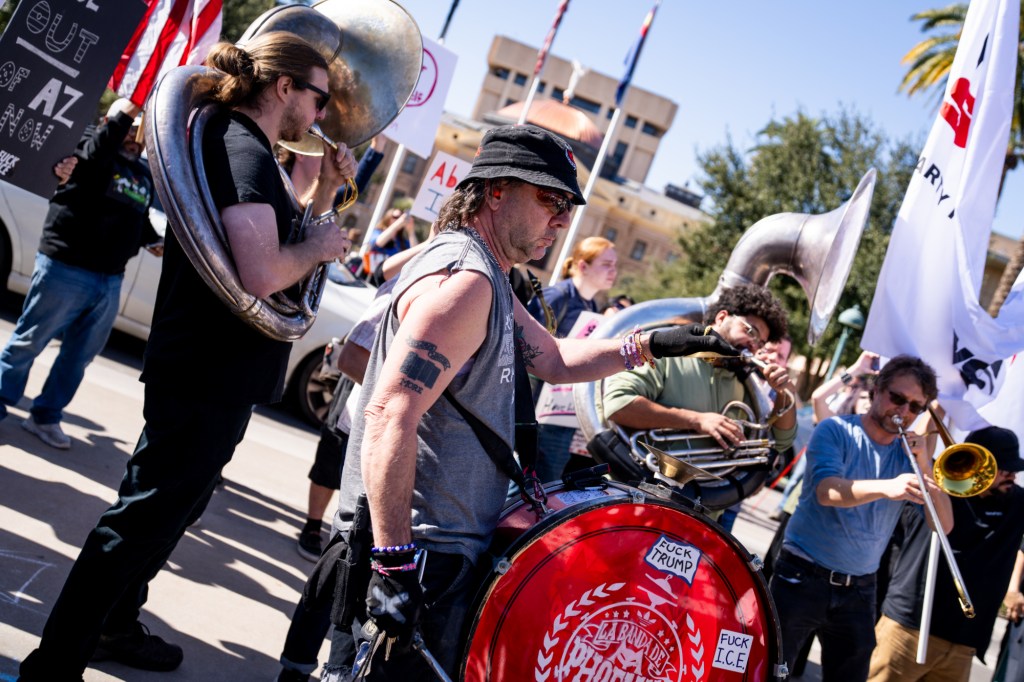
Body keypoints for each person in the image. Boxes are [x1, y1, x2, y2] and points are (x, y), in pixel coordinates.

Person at [317, 123, 739, 681]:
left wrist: (652, 344)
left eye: (567, 206)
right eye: (550, 200)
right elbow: (389, 413)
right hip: (422, 548)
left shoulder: (485, 272)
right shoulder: (467, 281)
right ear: (496, 190)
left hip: (430, 543)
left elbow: (555, 360)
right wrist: (394, 565)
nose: (562, 221)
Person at [18, 32, 356, 681]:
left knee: (170, 510)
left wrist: (322, 199)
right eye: (319, 97)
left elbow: (278, 247)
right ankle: (53, 664)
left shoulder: (249, 149)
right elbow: (262, 271)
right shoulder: (243, 149)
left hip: (217, 369)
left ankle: (115, 625)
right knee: (140, 517)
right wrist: (324, 246)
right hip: (207, 367)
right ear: (284, 86)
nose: (322, 115)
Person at [769, 355, 954, 682]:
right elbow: (828, 492)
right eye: (897, 398)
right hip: (801, 575)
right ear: (877, 390)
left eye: (915, 407)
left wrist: (925, 463)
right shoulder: (836, 430)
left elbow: (943, 525)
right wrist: (889, 487)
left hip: (860, 589)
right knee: (769, 668)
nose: (903, 412)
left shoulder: (911, 454)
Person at [0, 98, 161, 449]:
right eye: (130, 127)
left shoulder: (141, 170)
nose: (135, 137)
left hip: (109, 279)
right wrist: (128, 112)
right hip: (66, 267)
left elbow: (137, 212)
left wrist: (152, 240)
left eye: (140, 131)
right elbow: (96, 156)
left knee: (79, 356)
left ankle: (45, 416)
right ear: (113, 121)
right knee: (30, 341)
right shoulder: (88, 151)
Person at [868, 426, 1024, 681]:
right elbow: (921, 449)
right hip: (909, 629)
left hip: (963, 643)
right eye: (1005, 469)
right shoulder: (938, 490)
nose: (1012, 476)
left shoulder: (1015, 504)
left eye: (1015, 469)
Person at [602, 283, 798, 460]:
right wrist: (695, 420)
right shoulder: (667, 355)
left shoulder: (744, 381)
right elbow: (618, 404)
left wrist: (785, 394)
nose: (753, 345)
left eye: (760, 343)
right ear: (722, 317)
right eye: (750, 331)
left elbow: (780, 443)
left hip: (706, 496)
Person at [526, 236, 618, 482]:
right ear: (583, 266)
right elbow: (521, 344)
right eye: (606, 264)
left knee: (542, 483)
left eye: (614, 265)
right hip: (538, 409)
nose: (613, 271)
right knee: (537, 484)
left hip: (561, 409)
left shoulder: (590, 304)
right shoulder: (557, 296)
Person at [719, 335, 795, 532]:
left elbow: (780, 442)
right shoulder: (732, 374)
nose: (773, 358)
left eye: (781, 356)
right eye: (770, 350)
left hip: (733, 495)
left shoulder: (779, 394)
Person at [364, 206, 418, 276]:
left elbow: (416, 253)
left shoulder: (401, 241)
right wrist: (398, 223)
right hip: (373, 275)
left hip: (392, 278)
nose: (400, 219)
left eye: (401, 217)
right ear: (388, 218)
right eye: (396, 217)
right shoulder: (378, 232)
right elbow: (378, 243)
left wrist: (411, 231)